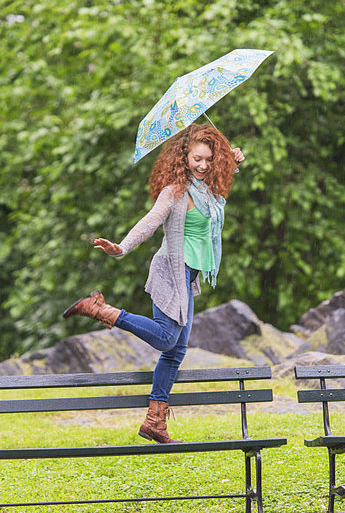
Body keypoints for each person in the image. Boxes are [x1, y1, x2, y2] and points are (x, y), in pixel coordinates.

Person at [63, 123, 245, 443]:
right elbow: (150, 221)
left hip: (188, 278)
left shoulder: (210, 190)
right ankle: (101, 310)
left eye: (208, 159)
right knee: (165, 339)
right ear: (184, 157)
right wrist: (121, 248)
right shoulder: (175, 192)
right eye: (196, 159)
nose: (202, 165)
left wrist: (233, 161)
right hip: (169, 272)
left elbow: (218, 191)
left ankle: (154, 422)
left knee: (176, 351)